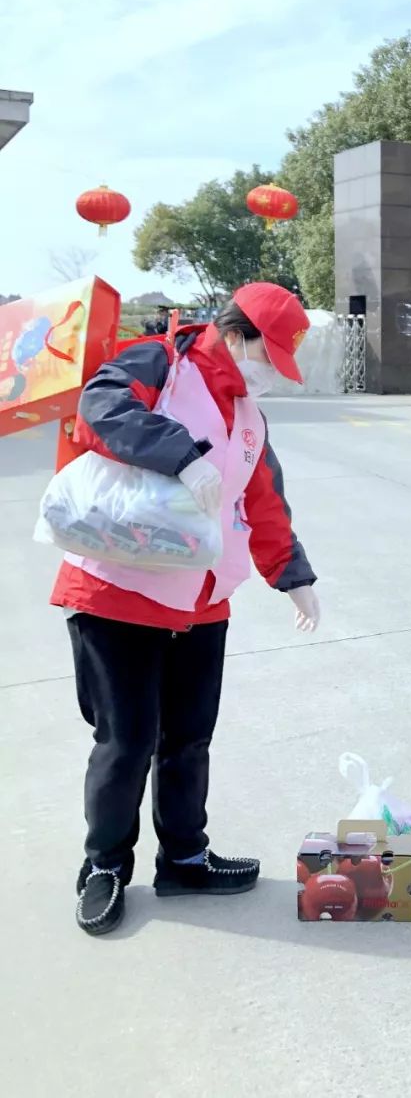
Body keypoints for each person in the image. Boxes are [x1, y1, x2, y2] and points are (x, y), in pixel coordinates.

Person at [52, 282, 321, 937]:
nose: (269, 373)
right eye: (268, 356)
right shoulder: (159, 363)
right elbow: (100, 408)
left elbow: (263, 498)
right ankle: (105, 865)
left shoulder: (249, 414)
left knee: (189, 738)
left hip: (201, 599)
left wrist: (292, 575)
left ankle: (185, 856)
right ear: (238, 335)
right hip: (119, 588)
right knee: (127, 741)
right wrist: (181, 454)